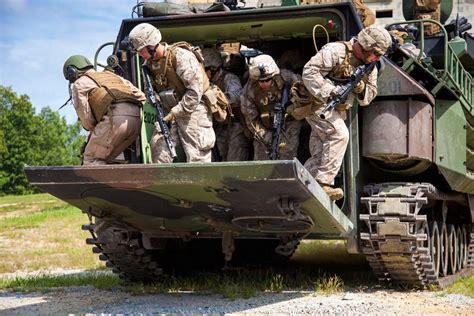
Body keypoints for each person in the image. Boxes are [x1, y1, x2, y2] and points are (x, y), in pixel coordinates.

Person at [302, 25, 392, 200]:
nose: (376, 58)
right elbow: (309, 72)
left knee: (322, 155)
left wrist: (361, 87)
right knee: (340, 135)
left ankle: (301, 183)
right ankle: (323, 185)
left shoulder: (369, 66)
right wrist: (330, 91)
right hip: (319, 104)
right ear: (365, 47)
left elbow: (369, 96)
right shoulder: (335, 51)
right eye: (375, 54)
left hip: (337, 110)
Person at [128, 23, 215, 163]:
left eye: (141, 50)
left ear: (151, 45)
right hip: (169, 113)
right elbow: (149, 91)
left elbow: (194, 92)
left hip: (193, 109)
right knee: (158, 151)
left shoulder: (180, 56)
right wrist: (154, 98)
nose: (139, 55)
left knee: (197, 156)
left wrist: (175, 112)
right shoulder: (147, 66)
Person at [63, 55, 145, 165]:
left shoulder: (79, 83)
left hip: (115, 120)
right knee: (105, 159)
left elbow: (86, 118)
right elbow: (141, 96)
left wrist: (94, 129)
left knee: (90, 159)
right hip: (137, 122)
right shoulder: (111, 75)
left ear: (72, 72)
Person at [240, 54, 302, 160]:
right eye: (261, 81)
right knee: (262, 163)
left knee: (287, 160)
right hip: (264, 129)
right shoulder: (249, 90)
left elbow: (304, 94)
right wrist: (267, 137)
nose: (264, 84)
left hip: (289, 125)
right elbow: (251, 120)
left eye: (267, 80)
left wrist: (292, 104)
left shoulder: (286, 77)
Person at [202, 48, 250, 161]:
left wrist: (217, 98)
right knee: (214, 158)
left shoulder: (228, 78)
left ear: (213, 68)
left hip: (235, 125)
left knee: (235, 158)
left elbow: (237, 96)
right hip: (218, 127)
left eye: (204, 70)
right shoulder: (205, 82)